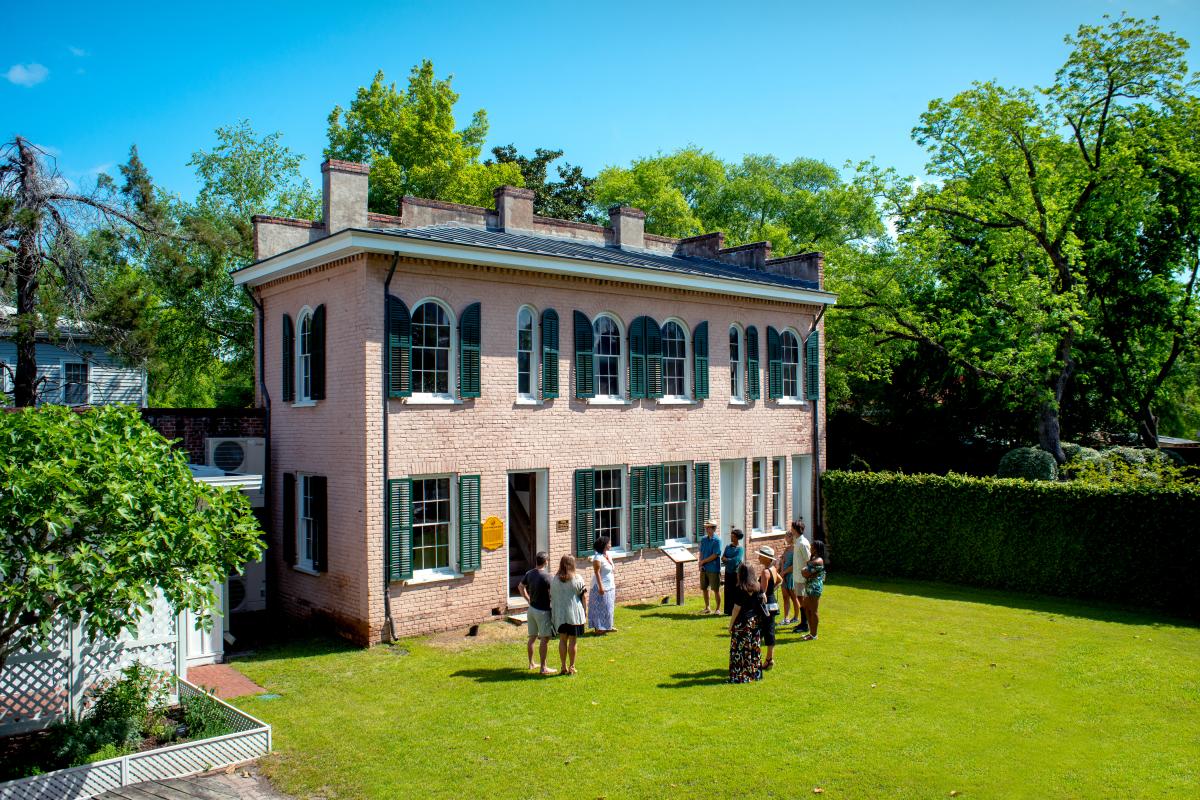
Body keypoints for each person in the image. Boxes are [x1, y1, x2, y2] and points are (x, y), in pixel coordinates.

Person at [517, 551, 557, 675]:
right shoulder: (548, 577)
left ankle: (531, 663)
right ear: (546, 562)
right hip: (543, 611)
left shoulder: (529, 574)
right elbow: (553, 594)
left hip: (531, 610)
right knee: (544, 639)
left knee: (532, 638)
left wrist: (528, 599)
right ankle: (543, 668)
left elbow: (520, 587)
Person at [727, 561, 766, 683]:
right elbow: (763, 599)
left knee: (739, 650)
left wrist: (730, 625)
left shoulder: (740, 589)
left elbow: (736, 609)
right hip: (754, 621)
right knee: (753, 648)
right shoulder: (758, 586)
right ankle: (755, 673)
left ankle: (740, 675)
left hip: (742, 623)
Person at [550, 555, 587, 674]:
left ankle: (563, 666)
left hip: (560, 615)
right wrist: (585, 611)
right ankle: (572, 667)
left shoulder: (554, 580)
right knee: (573, 641)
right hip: (574, 615)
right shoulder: (577, 578)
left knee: (562, 640)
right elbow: (583, 597)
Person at [756, 545, 782, 670]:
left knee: (760, 631)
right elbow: (780, 580)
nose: (758, 557)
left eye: (761, 556)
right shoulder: (773, 569)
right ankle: (769, 658)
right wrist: (773, 591)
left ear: (767, 558)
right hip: (773, 604)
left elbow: (762, 593)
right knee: (770, 630)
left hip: (765, 606)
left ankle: (766, 659)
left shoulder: (765, 572)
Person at [588, 536, 617, 633]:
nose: (610, 544)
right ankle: (599, 628)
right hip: (600, 586)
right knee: (599, 608)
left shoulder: (608, 554)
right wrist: (601, 587)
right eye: (609, 543)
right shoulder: (598, 557)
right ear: (604, 545)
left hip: (610, 585)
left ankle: (608, 626)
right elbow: (597, 572)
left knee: (609, 607)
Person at [799, 539, 826, 641]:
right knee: (806, 608)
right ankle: (811, 633)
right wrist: (805, 570)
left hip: (815, 588)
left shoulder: (818, 560)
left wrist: (805, 570)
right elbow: (805, 572)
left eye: (812, 546)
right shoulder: (813, 559)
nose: (810, 547)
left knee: (813, 611)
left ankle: (814, 635)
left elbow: (806, 573)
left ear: (817, 548)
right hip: (809, 586)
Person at [791, 520, 813, 634]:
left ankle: (805, 624)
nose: (791, 530)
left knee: (803, 600)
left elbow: (808, 560)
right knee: (799, 599)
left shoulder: (803, 543)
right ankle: (803, 622)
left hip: (802, 577)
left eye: (792, 528)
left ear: (795, 529)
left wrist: (807, 575)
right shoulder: (797, 541)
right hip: (797, 576)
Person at [697, 520, 723, 614]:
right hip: (704, 568)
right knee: (704, 588)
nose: (706, 529)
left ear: (714, 528)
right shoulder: (704, 539)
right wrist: (700, 563)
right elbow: (701, 552)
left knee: (715, 589)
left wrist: (703, 561)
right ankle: (707, 607)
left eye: (708, 527)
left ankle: (718, 609)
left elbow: (715, 555)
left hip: (713, 568)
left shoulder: (717, 540)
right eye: (706, 527)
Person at [721, 529, 744, 616]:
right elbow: (722, 557)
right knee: (728, 591)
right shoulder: (727, 547)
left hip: (735, 573)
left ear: (737, 538)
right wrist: (727, 560)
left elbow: (736, 561)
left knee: (735, 591)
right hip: (728, 571)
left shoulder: (740, 549)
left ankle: (735, 610)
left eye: (733, 536)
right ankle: (727, 610)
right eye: (731, 535)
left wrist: (727, 559)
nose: (731, 537)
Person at [779, 529, 799, 625]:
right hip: (784, 575)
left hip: (791, 576)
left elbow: (794, 565)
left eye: (788, 536)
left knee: (794, 597)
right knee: (785, 597)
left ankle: (796, 617)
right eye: (786, 536)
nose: (786, 538)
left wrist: (785, 572)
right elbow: (783, 561)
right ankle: (786, 618)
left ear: (792, 537)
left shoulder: (796, 549)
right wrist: (782, 571)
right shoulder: (786, 549)